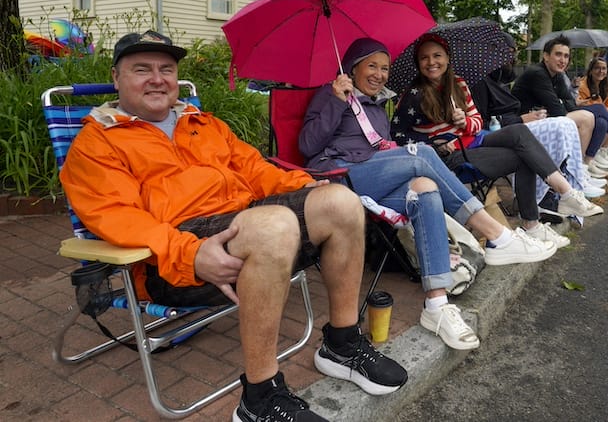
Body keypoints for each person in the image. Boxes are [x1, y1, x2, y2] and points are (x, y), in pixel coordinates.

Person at [59, 31, 408, 422]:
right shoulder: (98, 143)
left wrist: (305, 187)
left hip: (247, 225)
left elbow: (255, 170)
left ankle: (342, 343)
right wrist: (188, 252)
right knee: (272, 225)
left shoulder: (201, 123)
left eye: (167, 70)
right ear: (117, 77)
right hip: (177, 258)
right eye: (142, 70)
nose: (157, 79)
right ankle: (259, 398)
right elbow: (118, 217)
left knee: (340, 200)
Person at [299, 38, 558, 351]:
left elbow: (382, 150)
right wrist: (335, 101)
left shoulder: (377, 110)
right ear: (352, 69)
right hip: (338, 178)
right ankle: (497, 236)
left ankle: (436, 305)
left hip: (372, 182)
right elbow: (308, 147)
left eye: (384, 68)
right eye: (372, 66)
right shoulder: (331, 96)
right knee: (419, 154)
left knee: (427, 190)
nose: (380, 74)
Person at [390, 33, 603, 234]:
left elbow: (477, 122)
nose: (431, 62)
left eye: (437, 55)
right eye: (424, 58)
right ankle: (534, 223)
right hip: (453, 154)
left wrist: (464, 122)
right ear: (418, 63)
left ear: (447, 58)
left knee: (519, 132)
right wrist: (433, 143)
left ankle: (563, 193)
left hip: (476, 140)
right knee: (524, 155)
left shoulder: (459, 85)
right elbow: (398, 134)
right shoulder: (414, 95)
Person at [512, 35, 608, 175]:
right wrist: (561, 103)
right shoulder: (538, 73)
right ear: (546, 56)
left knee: (601, 121)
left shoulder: (557, 75)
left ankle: (586, 167)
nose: (563, 60)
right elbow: (558, 109)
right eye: (558, 54)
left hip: (544, 118)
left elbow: (570, 104)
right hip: (523, 124)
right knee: (594, 112)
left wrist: (561, 103)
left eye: (566, 56)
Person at [577, 56, 608, 169]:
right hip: (583, 115)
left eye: (604, 68)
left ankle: (598, 153)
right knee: (601, 118)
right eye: (597, 68)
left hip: (597, 114)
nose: (601, 71)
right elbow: (589, 104)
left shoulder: (604, 87)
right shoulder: (583, 85)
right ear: (590, 71)